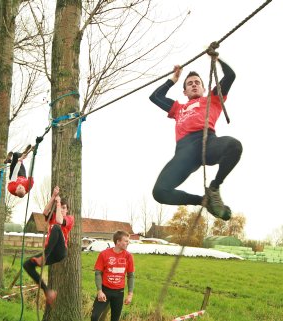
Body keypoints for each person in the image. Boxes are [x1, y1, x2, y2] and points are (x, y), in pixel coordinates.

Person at [149, 56, 243, 221]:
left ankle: (214, 188)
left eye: (197, 82)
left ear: (203, 88)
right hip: (185, 152)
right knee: (159, 192)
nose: (194, 84)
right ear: (184, 91)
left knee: (234, 146)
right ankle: (203, 201)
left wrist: (217, 58)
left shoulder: (212, 99)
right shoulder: (178, 108)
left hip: (208, 142)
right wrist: (174, 79)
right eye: (189, 83)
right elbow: (155, 97)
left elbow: (230, 76)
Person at [23, 186, 74, 305]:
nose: (62, 209)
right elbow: (45, 212)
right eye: (60, 208)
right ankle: (47, 291)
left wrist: (59, 203)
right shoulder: (52, 218)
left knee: (56, 226)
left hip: (60, 251)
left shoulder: (70, 219)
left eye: (64, 208)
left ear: (67, 210)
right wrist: (53, 197)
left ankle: (43, 257)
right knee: (27, 264)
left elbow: (60, 222)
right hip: (50, 252)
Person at [90, 230, 135, 321]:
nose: (128, 243)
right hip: (105, 290)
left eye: (128, 241)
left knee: (115, 319)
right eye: (126, 241)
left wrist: (130, 294)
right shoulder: (104, 254)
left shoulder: (128, 256)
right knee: (94, 317)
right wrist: (99, 291)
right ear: (118, 242)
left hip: (119, 293)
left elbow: (130, 276)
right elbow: (98, 273)